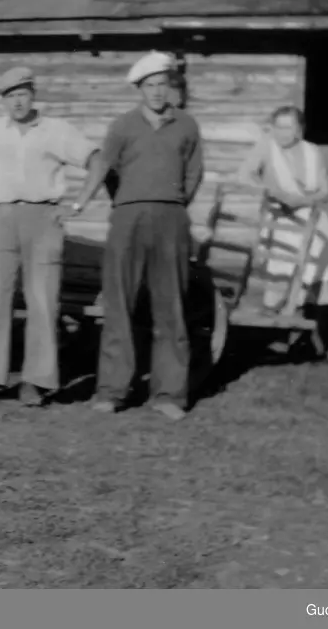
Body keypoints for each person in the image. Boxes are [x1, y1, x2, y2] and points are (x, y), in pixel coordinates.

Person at [0, 66, 106, 408]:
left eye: (22, 94)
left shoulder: (57, 131)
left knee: (42, 301)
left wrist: (77, 204)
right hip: (1, 218)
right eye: (10, 96)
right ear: (3, 101)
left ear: (33, 94)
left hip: (44, 218)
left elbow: (98, 160)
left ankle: (36, 381)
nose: (17, 102)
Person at [73, 51, 205, 421]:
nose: (157, 92)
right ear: (139, 89)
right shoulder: (123, 126)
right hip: (128, 219)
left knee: (172, 306)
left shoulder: (187, 126)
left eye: (163, 84)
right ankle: (112, 391)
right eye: (150, 86)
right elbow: (104, 167)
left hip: (171, 219)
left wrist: (172, 203)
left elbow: (194, 174)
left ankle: (169, 394)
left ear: (170, 86)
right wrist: (118, 201)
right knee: (119, 304)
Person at [236, 106, 328, 310]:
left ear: (299, 129)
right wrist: (275, 193)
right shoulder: (266, 147)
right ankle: (272, 312)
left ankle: (299, 310)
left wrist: (303, 201)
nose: (281, 133)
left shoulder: (312, 151)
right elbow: (245, 176)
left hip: (309, 217)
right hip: (280, 218)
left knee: (313, 266)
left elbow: (325, 191)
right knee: (281, 270)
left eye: (287, 128)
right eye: (277, 127)